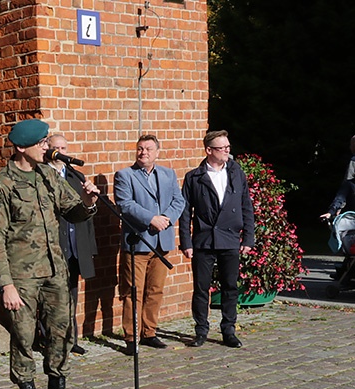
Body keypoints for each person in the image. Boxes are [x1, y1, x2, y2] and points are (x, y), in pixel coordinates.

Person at [0, 119, 100, 389]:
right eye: (41, 143)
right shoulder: (3, 183)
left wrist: (89, 200)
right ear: (22, 147)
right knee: (23, 335)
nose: (46, 147)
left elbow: (73, 212)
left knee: (62, 330)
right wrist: (5, 284)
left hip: (54, 269)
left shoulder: (49, 175)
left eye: (47, 142)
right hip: (21, 275)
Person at [179, 130, 254, 348]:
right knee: (201, 288)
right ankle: (201, 330)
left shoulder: (236, 172)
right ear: (209, 150)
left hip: (230, 238)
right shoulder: (194, 177)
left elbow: (246, 206)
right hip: (204, 239)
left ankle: (228, 330)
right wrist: (187, 242)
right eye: (222, 148)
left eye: (228, 147)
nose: (227, 152)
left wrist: (248, 238)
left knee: (230, 286)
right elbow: (185, 213)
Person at [113, 134, 187, 350]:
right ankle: (131, 337)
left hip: (161, 242)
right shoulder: (125, 175)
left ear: (157, 152)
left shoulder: (167, 174)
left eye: (148, 149)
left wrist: (167, 219)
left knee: (155, 290)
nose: (143, 152)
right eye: (140, 148)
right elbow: (125, 204)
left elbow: (178, 200)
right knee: (132, 292)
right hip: (138, 243)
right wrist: (150, 219)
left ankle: (149, 332)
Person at [47, 134, 97, 355]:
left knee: (72, 295)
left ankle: (71, 339)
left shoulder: (76, 177)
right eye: (55, 147)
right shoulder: (42, 176)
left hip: (75, 246)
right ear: (48, 150)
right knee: (52, 299)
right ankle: (51, 341)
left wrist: (90, 248)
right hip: (54, 247)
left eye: (63, 147)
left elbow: (87, 218)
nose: (60, 152)